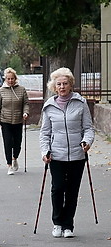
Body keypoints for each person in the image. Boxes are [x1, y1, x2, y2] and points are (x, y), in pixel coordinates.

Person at [39, 67, 94, 238]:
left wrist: (87, 142)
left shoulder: (80, 103)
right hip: (56, 155)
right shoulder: (49, 106)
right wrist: (45, 150)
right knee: (58, 188)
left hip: (77, 155)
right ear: (54, 87)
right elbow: (44, 133)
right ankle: (57, 223)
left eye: (65, 83)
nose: (62, 87)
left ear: (71, 85)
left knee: (72, 190)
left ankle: (68, 225)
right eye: (59, 84)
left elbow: (88, 128)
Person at [0, 67, 29, 175]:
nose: (10, 81)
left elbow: (26, 103)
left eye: (12, 79)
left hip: (18, 120)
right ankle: (9, 165)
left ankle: (15, 158)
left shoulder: (21, 89)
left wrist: (25, 112)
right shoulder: (1, 91)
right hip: (5, 120)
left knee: (17, 143)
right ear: (5, 79)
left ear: (15, 78)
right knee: (8, 143)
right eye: (8, 79)